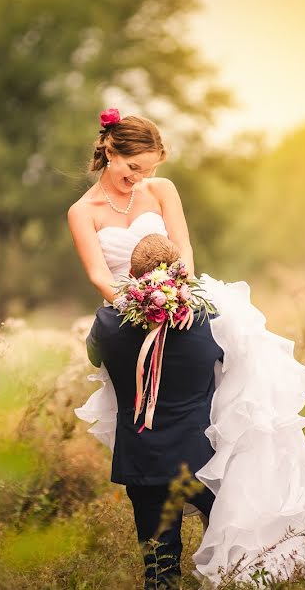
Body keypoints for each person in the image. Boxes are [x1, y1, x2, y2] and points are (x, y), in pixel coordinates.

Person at [71, 108, 305, 585]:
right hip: (130, 307)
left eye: (148, 170)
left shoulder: (162, 190)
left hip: (182, 296)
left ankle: (237, 487)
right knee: (146, 395)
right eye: (134, 169)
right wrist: (139, 304)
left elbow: (184, 248)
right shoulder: (82, 212)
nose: (140, 178)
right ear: (110, 151)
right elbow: (96, 274)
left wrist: (176, 292)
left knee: (235, 378)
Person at [82, 233, 222, 589]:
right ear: (181, 273)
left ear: (129, 273)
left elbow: (94, 356)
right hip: (205, 459)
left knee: (160, 570)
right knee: (228, 558)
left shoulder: (108, 323)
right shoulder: (209, 318)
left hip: (145, 461)